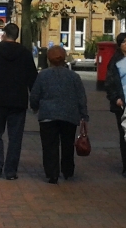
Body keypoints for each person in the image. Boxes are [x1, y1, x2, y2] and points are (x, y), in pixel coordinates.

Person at [0, 22, 38, 180]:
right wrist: (35, 100)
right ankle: (11, 171)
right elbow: (33, 78)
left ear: (4, 34)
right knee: (15, 136)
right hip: (18, 100)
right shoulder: (25, 53)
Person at [30, 45, 89, 184]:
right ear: (64, 59)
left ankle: (52, 173)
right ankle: (67, 170)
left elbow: (35, 95)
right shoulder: (74, 76)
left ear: (49, 59)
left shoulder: (43, 75)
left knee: (49, 145)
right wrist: (83, 115)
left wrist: (35, 107)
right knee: (67, 145)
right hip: (69, 116)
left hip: (47, 115)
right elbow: (81, 97)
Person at [105, 32, 126, 178]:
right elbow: (110, 83)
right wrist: (116, 98)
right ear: (119, 45)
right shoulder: (115, 62)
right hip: (123, 103)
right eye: (123, 41)